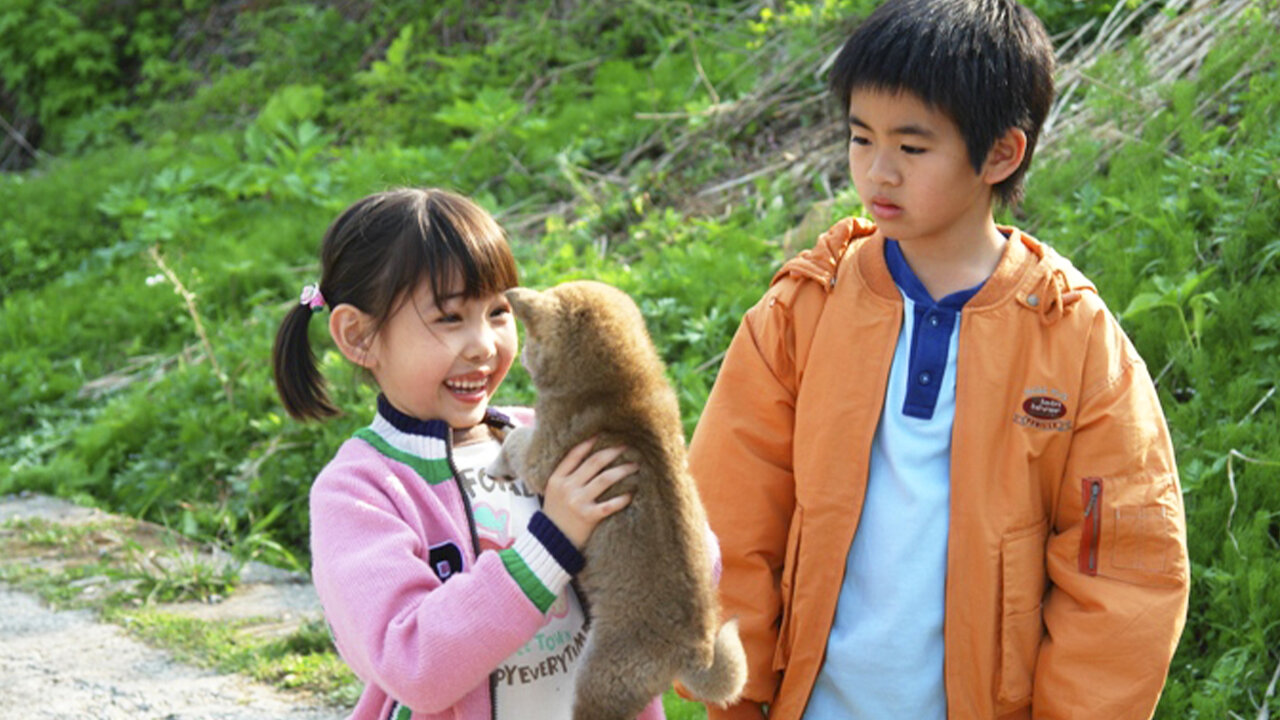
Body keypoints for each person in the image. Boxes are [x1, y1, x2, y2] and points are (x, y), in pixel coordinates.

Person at [687, 0, 1191, 718]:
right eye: (862, 139)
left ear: (1001, 153)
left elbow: (1119, 573)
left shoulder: (1073, 339)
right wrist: (733, 692)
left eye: (912, 148)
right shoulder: (804, 312)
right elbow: (727, 518)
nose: (878, 172)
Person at [271, 187, 664, 719]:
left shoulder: (549, 437)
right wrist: (553, 543)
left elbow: (680, 584)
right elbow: (414, 665)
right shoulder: (359, 492)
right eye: (450, 318)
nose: (484, 344)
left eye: (498, 311)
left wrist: (657, 502)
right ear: (359, 335)